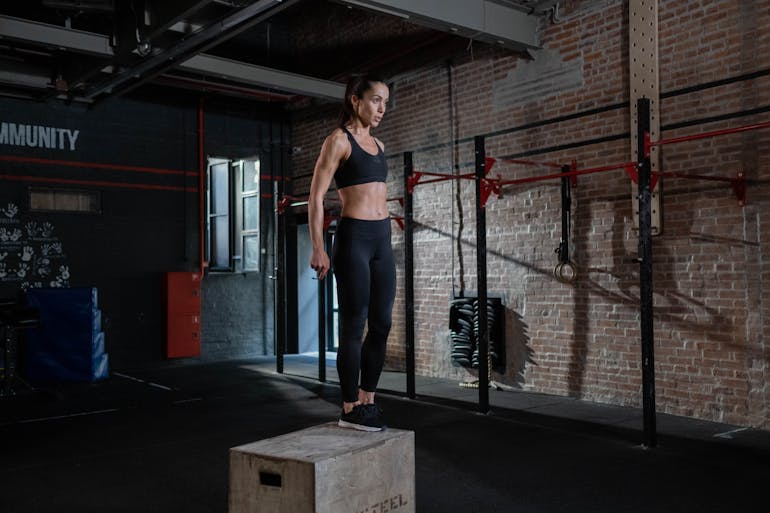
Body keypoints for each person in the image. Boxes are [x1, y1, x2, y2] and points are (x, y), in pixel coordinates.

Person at [308, 74, 395, 432]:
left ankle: (367, 401)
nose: (381, 109)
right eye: (376, 100)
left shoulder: (381, 146)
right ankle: (348, 407)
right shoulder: (337, 142)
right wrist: (318, 246)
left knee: (383, 323)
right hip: (354, 238)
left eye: (385, 102)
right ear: (355, 100)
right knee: (353, 324)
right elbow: (316, 197)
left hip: (382, 239)